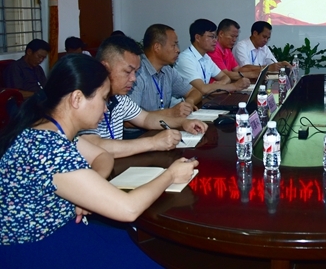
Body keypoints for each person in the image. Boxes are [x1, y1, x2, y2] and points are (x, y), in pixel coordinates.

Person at [0, 54, 196, 268]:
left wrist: (87, 191)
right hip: (36, 248)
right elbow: (128, 209)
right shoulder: (46, 148)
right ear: (77, 99)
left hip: (62, 230)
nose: (105, 108)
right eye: (103, 99)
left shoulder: (51, 130)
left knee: (147, 246)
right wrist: (170, 175)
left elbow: (102, 156)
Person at [79, 35, 207, 158]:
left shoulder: (119, 98)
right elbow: (95, 145)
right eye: (128, 72)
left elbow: (146, 118)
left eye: (135, 72)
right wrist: (153, 142)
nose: (133, 78)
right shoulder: (85, 100)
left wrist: (183, 123)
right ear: (105, 68)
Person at [128, 24, 202, 117]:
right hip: (144, 127)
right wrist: (170, 113)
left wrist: (188, 103)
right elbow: (129, 118)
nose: (178, 50)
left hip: (164, 124)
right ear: (157, 47)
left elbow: (195, 92)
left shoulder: (167, 70)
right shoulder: (137, 73)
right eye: (174, 45)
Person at [175, 19, 250, 95]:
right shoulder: (185, 59)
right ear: (197, 37)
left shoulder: (206, 57)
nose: (215, 41)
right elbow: (203, 89)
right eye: (211, 37)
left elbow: (225, 77)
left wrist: (220, 84)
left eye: (215, 37)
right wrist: (235, 86)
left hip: (207, 99)